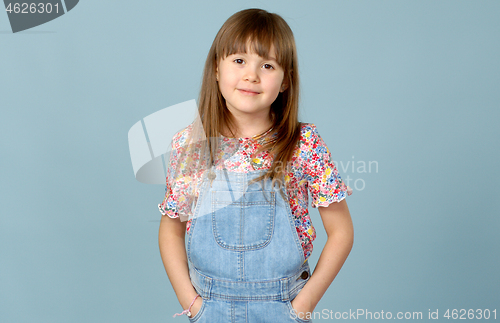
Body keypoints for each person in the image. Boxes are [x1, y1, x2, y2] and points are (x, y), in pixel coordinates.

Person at [158, 8, 354, 322]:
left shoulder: (304, 144)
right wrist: (191, 302)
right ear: (216, 70)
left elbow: (341, 231)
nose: (251, 75)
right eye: (239, 60)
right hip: (209, 306)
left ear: (286, 80)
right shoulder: (190, 145)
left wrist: (302, 307)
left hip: (282, 306)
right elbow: (171, 226)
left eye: (267, 64)